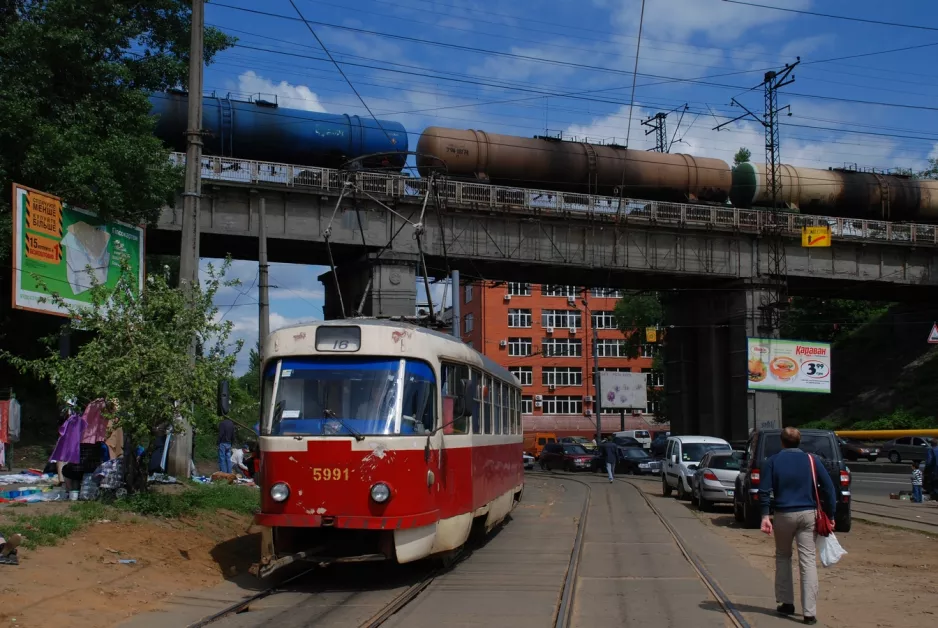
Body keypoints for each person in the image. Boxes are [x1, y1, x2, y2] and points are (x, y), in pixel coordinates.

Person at [759, 427, 836, 626]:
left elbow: (764, 490)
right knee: (808, 561)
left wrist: (765, 516)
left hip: (783, 514)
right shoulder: (812, 460)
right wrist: (831, 514)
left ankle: (786, 603)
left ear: (782, 442)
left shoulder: (773, 461)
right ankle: (809, 613)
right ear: (799, 442)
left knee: (783, 556)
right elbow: (828, 488)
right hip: (808, 515)